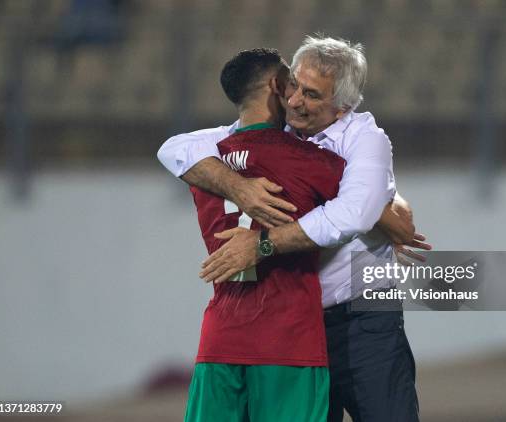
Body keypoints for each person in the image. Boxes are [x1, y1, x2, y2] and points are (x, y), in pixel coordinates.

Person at [158, 36, 429, 421]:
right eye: (294, 87)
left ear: (343, 106)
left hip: (363, 316)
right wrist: (240, 188)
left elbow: (355, 213)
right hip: (299, 323)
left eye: (312, 95)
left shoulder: (363, 138)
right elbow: (174, 148)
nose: (296, 101)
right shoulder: (278, 132)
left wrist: (263, 244)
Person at [184, 48, 346, 422]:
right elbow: (365, 205)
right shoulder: (309, 161)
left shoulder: (203, 165)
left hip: (219, 341)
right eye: (291, 84)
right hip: (287, 340)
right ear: (277, 86)